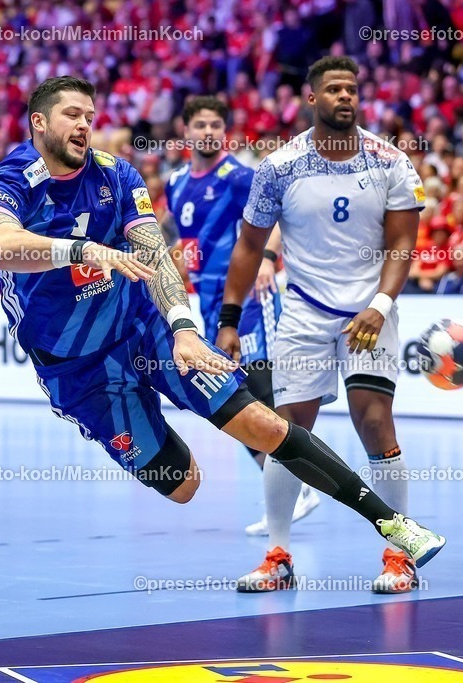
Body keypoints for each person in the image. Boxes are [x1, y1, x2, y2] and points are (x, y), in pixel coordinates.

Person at [0, 76, 446, 591]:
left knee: (261, 423)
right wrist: (81, 251)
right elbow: (0, 244)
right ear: (38, 122)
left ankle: (394, 526)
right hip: (76, 367)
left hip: (142, 329)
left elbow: (154, 252)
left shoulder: (117, 173)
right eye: (71, 114)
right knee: (183, 485)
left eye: (90, 114)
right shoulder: (11, 180)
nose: (85, 124)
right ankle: (154, 420)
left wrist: (181, 327)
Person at [218, 56, 427, 595]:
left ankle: (398, 555)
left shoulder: (391, 162)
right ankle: (278, 556)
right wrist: (228, 319)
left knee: (374, 420)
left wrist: (381, 303)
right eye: (333, 88)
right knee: (285, 430)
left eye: (352, 89)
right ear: (311, 99)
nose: (345, 97)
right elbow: (248, 245)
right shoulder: (279, 166)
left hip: (369, 312)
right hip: (305, 311)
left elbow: (403, 242)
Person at [164, 96, 319, 537]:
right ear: (187, 131)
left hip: (249, 299)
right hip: (210, 307)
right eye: (201, 124)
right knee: (235, 402)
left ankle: (298, 486)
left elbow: (273, 219)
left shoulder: (239, 177)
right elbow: (189, 240)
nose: (208, 131)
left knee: (261, 392)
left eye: (217, 123)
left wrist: (268, 258)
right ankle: (286, 489)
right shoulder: (176, 183)